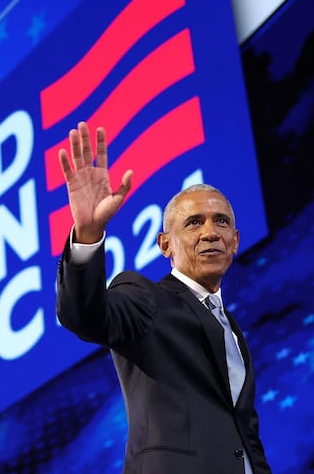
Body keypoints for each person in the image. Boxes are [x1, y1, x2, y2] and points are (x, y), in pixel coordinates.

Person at [55, 122, 272, 474]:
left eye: (221, 222)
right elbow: (83, 315)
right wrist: (89, 233)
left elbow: (244, 436)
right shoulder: (146, 299)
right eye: (193, 223)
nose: (210, 232)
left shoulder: (230, 330)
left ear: (235, 241)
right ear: (164, 244)